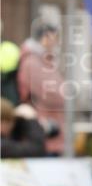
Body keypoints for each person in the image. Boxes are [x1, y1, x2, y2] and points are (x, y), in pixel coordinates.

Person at [17, 22, 65, 155]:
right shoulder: (32, 62)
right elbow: (52, 94)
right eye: (53, 38)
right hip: (42, 130)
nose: (56, 42)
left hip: (51, 130)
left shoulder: (46, 61)